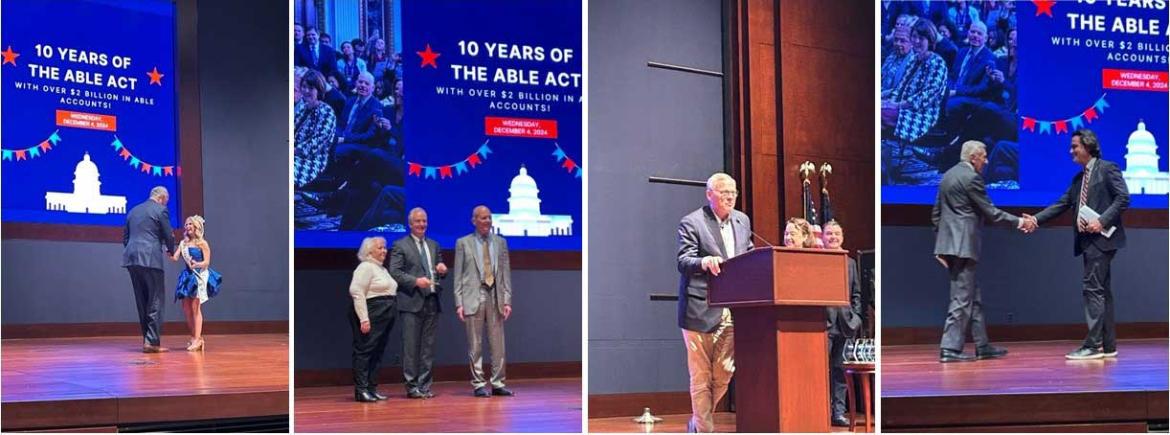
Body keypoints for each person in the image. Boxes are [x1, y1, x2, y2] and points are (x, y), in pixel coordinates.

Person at [1030, 129, 1130, 360]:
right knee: (1101, 291)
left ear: (1088, 146)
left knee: (1092, 289)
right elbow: (1062, 204)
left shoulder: (1107, 168)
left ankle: (1092, 346)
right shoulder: (1078, 179)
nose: (1071, 151)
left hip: (1102, 239)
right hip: (1087, 241)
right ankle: (1108, 345)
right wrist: (1035, 219)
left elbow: (1123, 198)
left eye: (1074, 146)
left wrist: (1101, 220)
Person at [932, 140, 1029, 362]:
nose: (986, 161)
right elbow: (991, 212)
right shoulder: (971, 178)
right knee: (961, 299)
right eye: (984, 156)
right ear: (973, 157)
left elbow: (936, 214)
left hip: (951, 246)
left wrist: (942, 245)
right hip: (964, 246)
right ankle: (949, 348)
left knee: (971, 296)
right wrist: (1020, 223)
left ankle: (982, 344)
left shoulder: (947, 175)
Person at [676, 173, 753, 433]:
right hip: (699, 308)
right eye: (723, 192)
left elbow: (748, 253)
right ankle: (704, 429)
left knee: (724, 372)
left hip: (733, 309)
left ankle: (697, 423)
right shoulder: (692, 222)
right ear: (709, 194)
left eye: (733, 192)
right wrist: (703, 262)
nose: (730, 197)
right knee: (700, 377)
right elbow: (683, 261)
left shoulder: (742, 221)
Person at [453, 206, 514, 398]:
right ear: (474, 221)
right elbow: (458, 275)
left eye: (489, 218)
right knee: (475, 343)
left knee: (498, 344)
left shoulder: (500, 242)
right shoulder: (463, 243)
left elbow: (505, 273)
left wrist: (507, 300)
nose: (487, 221)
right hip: (474, 295)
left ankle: (498, 383)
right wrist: (459, 302)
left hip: (495, 295)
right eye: (482, 218)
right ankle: (479, 383)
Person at [389, 208, 449, 399]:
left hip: (432, 301)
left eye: (424, 221)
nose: (422, 224)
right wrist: (415, 281)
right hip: (411, 302)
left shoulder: (434, 245)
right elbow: (395, 272)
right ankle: (412, 386)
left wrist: (443, 270)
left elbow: (439, 269)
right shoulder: (400, 245)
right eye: (418, 221)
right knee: (411, 347)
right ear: (410, 224)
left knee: (428, 347)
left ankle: (425, 385)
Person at [123, 186, 176, 353]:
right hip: (151, 258)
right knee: (155, 300)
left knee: (142, 301)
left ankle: (147, 340)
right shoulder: (161, 210)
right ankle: (151, 342)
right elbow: (169, 234)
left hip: (131, 259)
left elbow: (125, 238)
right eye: (166, 200)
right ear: (162, 198)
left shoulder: (133, 211)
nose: (165, 203)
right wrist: (170, 250)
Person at [821, 220, 863, 427]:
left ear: (842, 237)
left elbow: (856, 294)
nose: (833, 237)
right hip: (823, 326)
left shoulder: (850, 263)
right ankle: (820, 410)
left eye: (837, 234)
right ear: (822, 237)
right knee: (821, 371)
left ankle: (838, 412)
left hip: (845, 325)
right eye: (829, 234)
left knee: (839, 371)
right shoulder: (817, 260)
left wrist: (855, 318)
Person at [348, 236, 398, 402]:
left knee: (377, 352)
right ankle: (361, 389)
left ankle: (371, 387)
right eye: (380, 248)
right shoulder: (366, 267)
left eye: (385, 247)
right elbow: (356, 291)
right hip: (372, 312)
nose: (384, 251)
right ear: (369, 251)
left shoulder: (382, 269)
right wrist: (364, 318)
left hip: (385, 314)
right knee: (365, 351)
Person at [169, 215, 222, 352]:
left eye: (190, 224)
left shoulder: (202, 243)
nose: (187, 227)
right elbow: (175, 258)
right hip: (187, 276)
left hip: (198, 276)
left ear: (196, 227)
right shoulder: (183, 244)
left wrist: (197, 264)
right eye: (186, 224)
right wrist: (168, 249)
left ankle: (198, 339)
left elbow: (206, 262)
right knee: (186, 309)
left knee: (195, 308)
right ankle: (194, 337)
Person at [294, 70, 336, 189]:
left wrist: (292, 150)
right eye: (304, 87)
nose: (306, 91)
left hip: (311, 160)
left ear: (319, 90)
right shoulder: (301, 105)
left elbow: (316, 143)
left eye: (311, 88)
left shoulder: (327, 112)